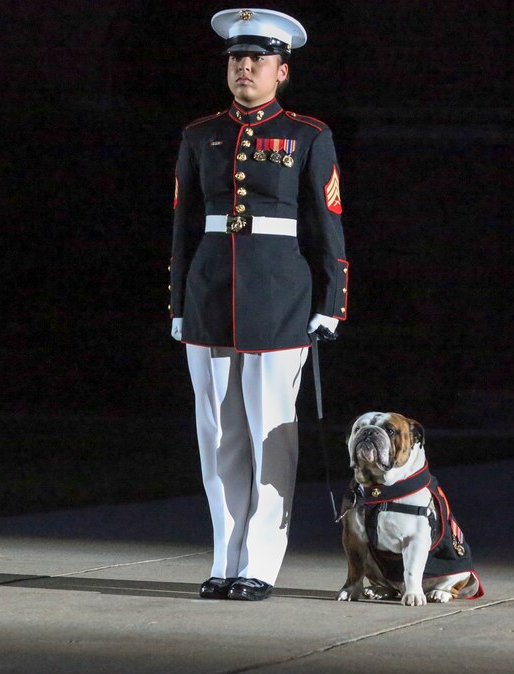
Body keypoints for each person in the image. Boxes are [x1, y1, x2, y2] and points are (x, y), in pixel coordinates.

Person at [169, 8, 349, 601]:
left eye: (257, 60)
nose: (244, 68)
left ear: (282, 71)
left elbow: (328, 226)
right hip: (210, 293)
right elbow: (184, 225)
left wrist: (331, 301)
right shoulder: (201, 135)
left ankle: (260, 563)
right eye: (236, 59)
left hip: (279, 297)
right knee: (218, 431)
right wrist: (178, 301)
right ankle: (224, 556)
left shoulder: (307, 135)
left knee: (271, 431)